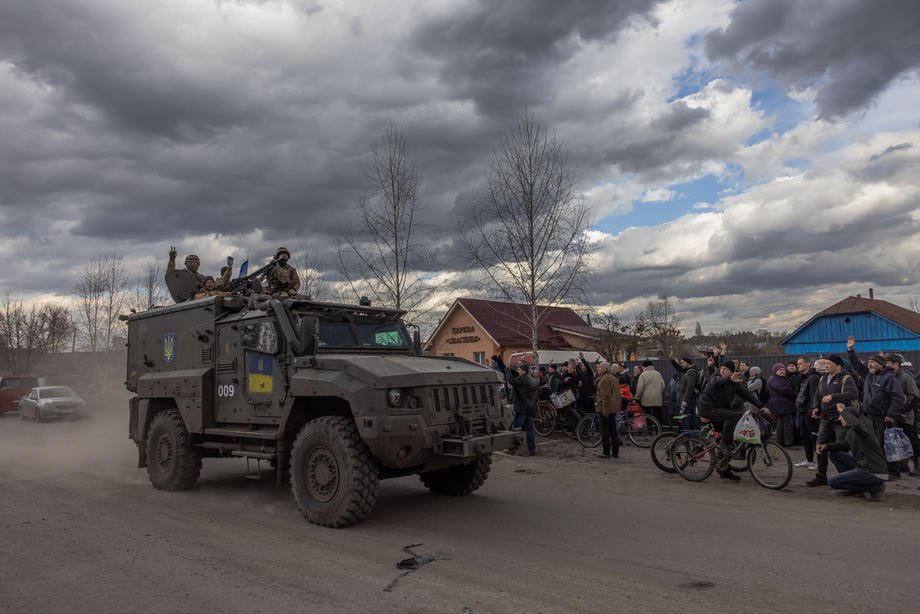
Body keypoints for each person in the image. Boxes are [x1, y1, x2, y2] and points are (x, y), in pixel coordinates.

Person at [696, 358, 768, 480]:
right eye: (722, 368)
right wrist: (729, 378)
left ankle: (723, 469)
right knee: (732, 419)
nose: (723, 371)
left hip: (719, 411)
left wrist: (762, 407)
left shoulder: (735, 384)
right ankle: (723, 444)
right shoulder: (716, 378)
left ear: (732, 372)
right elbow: (717, 382)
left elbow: (747, 395)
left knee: (730, 438)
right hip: (708, 409)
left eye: (726, 370)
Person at [846, 336, 906, 479]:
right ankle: (880, 470)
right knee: (873, 444)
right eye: (869, 362)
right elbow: (856, 364)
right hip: (869, 416)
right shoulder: (868, 375)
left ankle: (893, 472)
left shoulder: (889, 378)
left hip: (884, 418)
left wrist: (890, 415)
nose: (869, 364)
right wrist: (850, 350)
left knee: (886, 445)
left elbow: (898, 398)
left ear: (881, 364)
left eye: (872, 362)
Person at [807, 354, 860, 487]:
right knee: (820, 446)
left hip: (840, 419)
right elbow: (818, 395)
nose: (826, 366)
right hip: (825, 418)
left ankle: (848, 477)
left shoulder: (846, 378)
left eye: (829, 364)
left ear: (838, 366)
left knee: (841, 448)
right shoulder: (823, 378)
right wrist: (816, 407)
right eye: (825, 364)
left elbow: (853, 394)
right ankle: (821, 476)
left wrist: (833, 397)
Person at [818, 405, 888, 501]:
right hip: (863, 465)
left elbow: (855, 424)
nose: (839, 418)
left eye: (841, 416)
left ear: (850, 417)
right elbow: (845, 444)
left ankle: (874, 488)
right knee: (835, 455)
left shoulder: (864, 426)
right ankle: (856, 489)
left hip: (873, 470)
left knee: (832, 482)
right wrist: (827, 446)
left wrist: (843, 411)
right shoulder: (852, 431)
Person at [885, 353, 920, 475]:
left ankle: (917, 466)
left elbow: (914, 396)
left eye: (889, 364)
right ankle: (903, 466)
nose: (887, 366)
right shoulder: (889, 377)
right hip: (893, 415)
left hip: (906, 416)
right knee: (898, 441)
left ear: (896, 364)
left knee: (912, 439)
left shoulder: (905, 377)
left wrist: (903, 411)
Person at [794, 356, 822, 469]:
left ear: (808, 364)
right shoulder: (804, 377)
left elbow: (814, 395)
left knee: (813, 437)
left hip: (809, 412)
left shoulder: (814, 377)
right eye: (798, 364)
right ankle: (809, 460)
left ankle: (819, 463)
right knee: (804, 436)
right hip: (801, 411)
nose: (798, 366)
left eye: (800, 363)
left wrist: (812, 410)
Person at [508, 364, 539, 456]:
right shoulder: (532, 379)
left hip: (522, 408)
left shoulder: (522, 378)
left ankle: (512, 448)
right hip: (531, 408)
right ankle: (531, 450)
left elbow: (511, 381)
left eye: (519, 369)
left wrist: (507, 370)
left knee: (515, 428)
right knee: (530, 429)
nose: (518, 370)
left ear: (523, 370)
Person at [594, 362, 622, 458]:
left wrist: (604, 411)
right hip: (613, 408)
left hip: (605, 409)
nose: (598, 369)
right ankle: (615, 452)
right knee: (613, 430)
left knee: (605, 432)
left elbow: (605, 396)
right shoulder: (613, 377)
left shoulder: (605, 379)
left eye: (600, 367)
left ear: (605, 368)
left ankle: (606, 452)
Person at [768, 363, 798, 447]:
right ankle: (788, 442)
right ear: (775, 371)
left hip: (781, 405)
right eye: (780, 370)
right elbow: (785, 390)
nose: (782, 371)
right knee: (788, 423)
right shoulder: (775, 379)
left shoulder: (778, 378)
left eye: (783, 370)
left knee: (781, 423)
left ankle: (780, 441)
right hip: (783, 405)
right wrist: (796, 394)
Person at [673, 356, 702, 430]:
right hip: (690, 398)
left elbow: (690, 387)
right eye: (680, 363)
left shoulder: (691, 372)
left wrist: (685, 400)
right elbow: (678, 368)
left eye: (683, 362)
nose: (681, 364)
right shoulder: (688, 370)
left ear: (688, 363)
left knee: (684, 417)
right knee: (692, 416)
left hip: (689, 398)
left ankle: (687, 436)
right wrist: (672, 360)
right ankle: (696, 434)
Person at [635, 360, 666, 426]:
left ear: (644, 367)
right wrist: (658, 392)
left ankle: (650, 429)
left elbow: (640, 388)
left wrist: (636, 398)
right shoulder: (658, 373)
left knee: (648, 415)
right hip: (657, 399)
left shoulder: (643, 375)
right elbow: (663, 386)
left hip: (646, 399)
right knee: (658, 414)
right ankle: (659, 429)